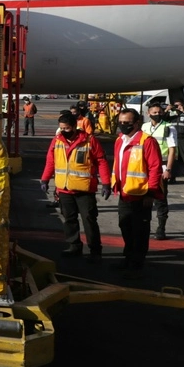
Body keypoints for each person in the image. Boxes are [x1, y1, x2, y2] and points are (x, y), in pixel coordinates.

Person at [40, 111, 111, 261]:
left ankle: (95, 250)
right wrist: (45, 179)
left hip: (84, 189)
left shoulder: (89, 140)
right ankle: (74, 245)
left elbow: (101, 161)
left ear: (74, 126)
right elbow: (50, 162)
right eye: (61, 128)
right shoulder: (57, 141)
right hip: (65, 189)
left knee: (89, 220)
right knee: (69, 219)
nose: (63, 131)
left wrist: (106, 182)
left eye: (66, 128)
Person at [110, 108, 165, 274]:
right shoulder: (120, 140)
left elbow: (155, 168)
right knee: (125, 227)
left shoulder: (147, 141)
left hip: (141, 195)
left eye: (127, 123)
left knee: (139, 232)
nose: (123, 125)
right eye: (121, 122)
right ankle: (128, 258)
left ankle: (137, 265)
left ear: (136, 123)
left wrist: (150, 193)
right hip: (125, 193)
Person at [141, 103, 176, 240]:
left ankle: (161, 228)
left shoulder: (169, 127)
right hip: (144, 167)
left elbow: (172, 149)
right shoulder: (144, 127)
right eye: (154, 112)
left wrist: (168, 169)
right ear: (148, 114)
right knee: (144, 199)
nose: (157, 114)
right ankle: (145, 226)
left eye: (159, 112)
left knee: (160, 200)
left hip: (161, 167)